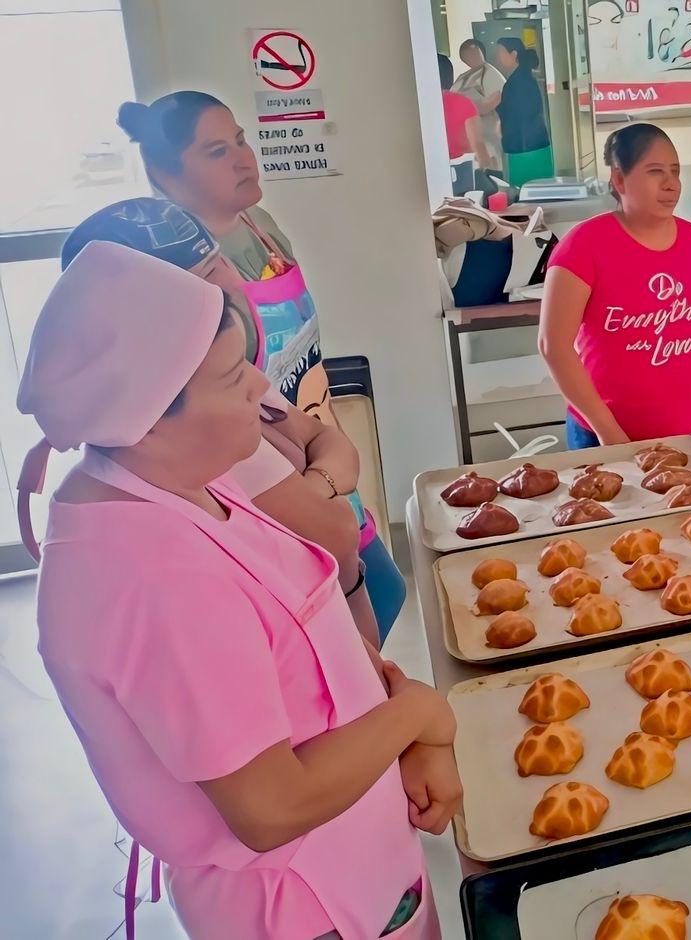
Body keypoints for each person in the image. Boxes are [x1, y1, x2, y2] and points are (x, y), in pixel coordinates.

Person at [17, 242, 459, 939]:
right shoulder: (148, 575)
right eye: (234, 377)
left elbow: (310, 650)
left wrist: (403, 724)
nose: (261, 387)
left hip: (368, 861)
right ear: (150, 413)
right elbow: (270, 807)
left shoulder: (190, 479)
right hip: (310, 906)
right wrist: (421, 716)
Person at [117, 91, 408, 644]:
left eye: (242, 141)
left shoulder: (259, 226)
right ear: (162, 171)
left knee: (382, 598)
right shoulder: (180, 273)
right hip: (260, 480)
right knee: (345, 638)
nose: (244, 159)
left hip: (312, 441)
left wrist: (328, 455)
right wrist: (315, 482)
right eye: (215, 151)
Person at [55, 197, 383, 648]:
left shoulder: (230, 374)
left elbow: (333, 444)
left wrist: (315, 486)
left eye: (216, 266)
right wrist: (325, 482)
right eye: (191, 285)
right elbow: (332, 529)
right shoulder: (197, 431)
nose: (220, 291)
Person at [539, 123, 691, 453]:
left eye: (675, 172)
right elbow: (553, 346)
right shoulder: (584, 247)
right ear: (619, 179)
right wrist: (609, 434)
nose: (670, 184)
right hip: (601, 438)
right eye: (655, 171)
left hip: (684, 435)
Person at [495, 38, 554, 187]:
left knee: (528, 192)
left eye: (501, 52)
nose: (499, 57)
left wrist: (497, 105)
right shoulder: (522, 77)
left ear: (513, 54)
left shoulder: (518, 81)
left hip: (524, 148)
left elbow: (519, 114)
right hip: (532, 144)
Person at [452, 38, 505, 172]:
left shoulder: (490, 73)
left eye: (472, 52)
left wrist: (470, 110)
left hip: (487, 132)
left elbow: (497, 99)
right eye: (465, 53)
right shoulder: (463, 77)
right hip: (467, 137)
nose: (469, 56)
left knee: (491, 170)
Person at [438, 53, 487, 195]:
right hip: (462, 176)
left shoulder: (417, 107)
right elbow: (477, 143)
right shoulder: (464, 103)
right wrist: (485, 168)